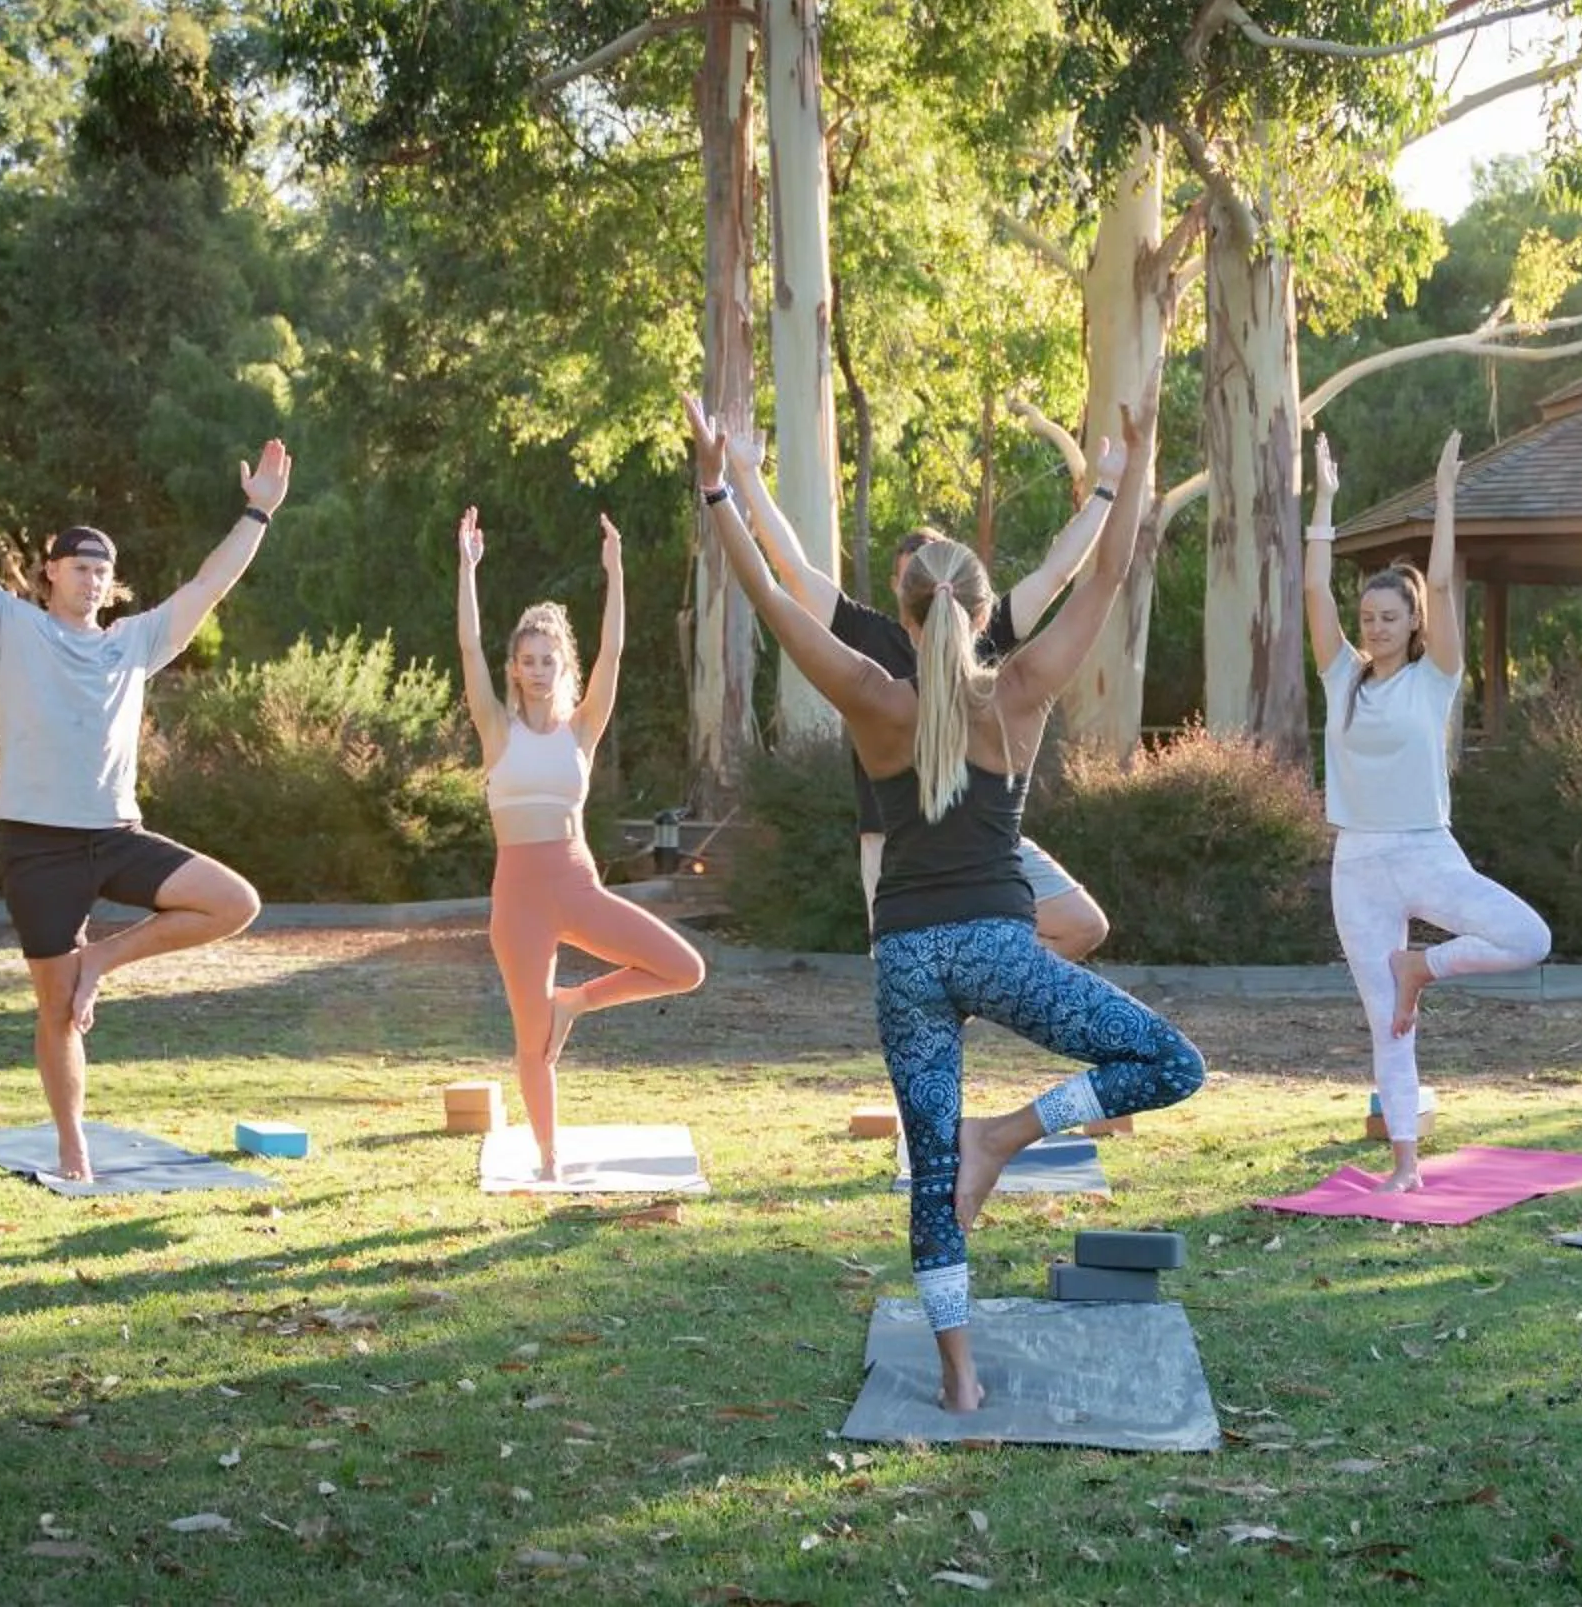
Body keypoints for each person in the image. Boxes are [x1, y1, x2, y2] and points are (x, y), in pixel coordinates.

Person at [687, 393, 1204, 1413]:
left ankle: (959, 1378)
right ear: (978, 606)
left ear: (911, 612)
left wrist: (717, 488)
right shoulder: (1019, 688)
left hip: (907, 959)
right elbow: (1104, 573)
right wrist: (1133, 465)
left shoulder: (876, 697)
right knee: (1171, 1063)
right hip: (997, 950)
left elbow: (776, 598)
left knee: (930, 1170)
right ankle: (1007, 1133)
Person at [0, 380, 273, 1183]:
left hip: (116, 835)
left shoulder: (133, 642)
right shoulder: (8, 626)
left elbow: (209, 585)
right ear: (47, 574)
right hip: (37, 846)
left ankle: (103, 961)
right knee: (56, 1011)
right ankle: (72, 1149)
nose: (93, 578)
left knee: (234, 902)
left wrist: (257, 513)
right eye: (78, 566)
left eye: (104, 569)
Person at [718, 419, 1114, 958]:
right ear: (901, 595)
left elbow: (1057, 575)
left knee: (1078, 925)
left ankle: (982, 988)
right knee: (911, 979)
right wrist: (1110, 491)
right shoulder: (868, 643)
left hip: (984, 846)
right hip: (898, 844)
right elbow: (790, 572)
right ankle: (961, 991)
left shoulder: (988, 633)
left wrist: (732, 480)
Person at [1304, 432, 1551, 1190]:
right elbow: (1314, 593)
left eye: (1389, 617)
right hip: (1360, 863)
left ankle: (1424, 967)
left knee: (1528, 937)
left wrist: (1445, 498)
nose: (1374, 627)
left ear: (1412, 625)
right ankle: (1405, 1165)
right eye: (1367, 616)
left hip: (1426, 851)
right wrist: (1324, 502)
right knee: (1386, 1022)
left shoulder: (1436, 678)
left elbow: (1442, 586)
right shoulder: (1342, 675)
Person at [455, 505, 705, 1180]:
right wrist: (468, 569)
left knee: (685, 969)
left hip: (575, 883)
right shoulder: (497, 730)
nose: (538, 669)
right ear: (514, 669)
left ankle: (576, 1002)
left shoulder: (582, 729)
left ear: (562, 666)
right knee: (530, 1043)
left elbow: (615, 651)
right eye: (528, 660)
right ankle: (548, 1159)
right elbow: (469, 649)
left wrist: (616, 572)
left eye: (549, 660)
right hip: (519, 899)